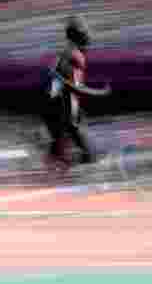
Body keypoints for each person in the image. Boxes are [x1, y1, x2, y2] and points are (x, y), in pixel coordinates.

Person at [41, 16, 111, 172]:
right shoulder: (75, 56)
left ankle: (57, 156)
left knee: (72, 127)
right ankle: (70, 159)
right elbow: (74, 90)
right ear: (80, 36)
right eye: (86, 32)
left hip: (51, 104)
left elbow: (62, 88)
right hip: (56, 106)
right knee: (75, 129)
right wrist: (101, 93)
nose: (89, 35)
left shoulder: (67, 52)